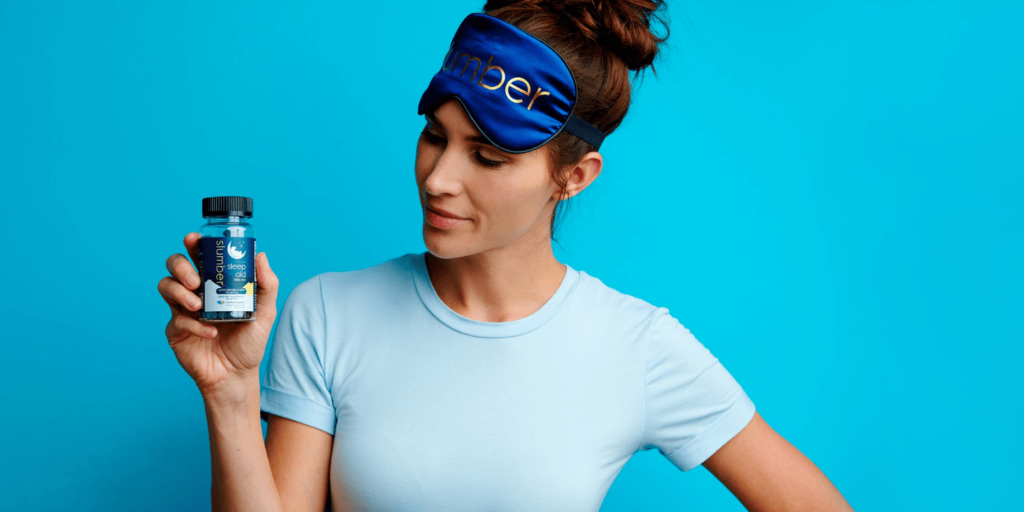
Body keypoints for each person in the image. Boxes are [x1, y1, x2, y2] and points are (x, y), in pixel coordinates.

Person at [158, 1, 855, 510]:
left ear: (572, 177)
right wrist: (229, 392)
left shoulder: (636, 346)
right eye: (435, 136)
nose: (438, 178)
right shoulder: (328, 314)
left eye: (487, 156)